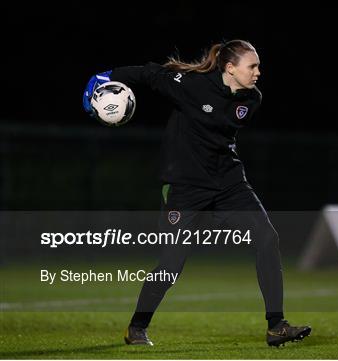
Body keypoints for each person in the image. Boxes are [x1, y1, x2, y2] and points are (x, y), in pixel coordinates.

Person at [82, 39, 311, 347]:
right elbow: (150, 74)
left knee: (267, 238)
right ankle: (137, 327)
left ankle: (276, 325)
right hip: (185, 188)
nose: (258, 72)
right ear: (230, 68)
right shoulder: (191, 85)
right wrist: (106, 75)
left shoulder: (252, 99)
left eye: (257, 66)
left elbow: (216, 121)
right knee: (172, 265)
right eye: (252, 66)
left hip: (229, 183)